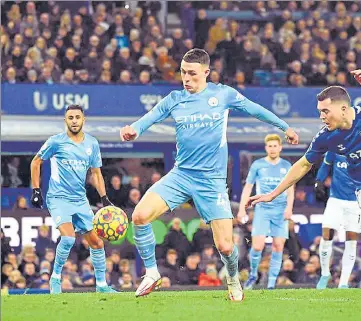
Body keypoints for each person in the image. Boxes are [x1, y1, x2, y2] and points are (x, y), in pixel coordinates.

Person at [120, 48, 299, 301]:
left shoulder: (222, 94)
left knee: (226, 246)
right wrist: (133, 130)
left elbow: (254, 109)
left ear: (206, 72)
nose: (186, 79)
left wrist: (284, 127)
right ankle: (151, 273)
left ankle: (233, 278)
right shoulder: (174, 98)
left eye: (192, 73)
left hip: (211, 181)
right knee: (139, 216)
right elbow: (149, 118)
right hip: (180, 175)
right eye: (183, 73)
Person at [248, 77, 361, 287]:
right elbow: (302, 165)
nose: (321, 117)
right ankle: (329, 277)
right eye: (319, 112)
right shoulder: (326, 137)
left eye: (325, 111)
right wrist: (274, 193)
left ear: (344, 109)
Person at [30, 104, 117, 294]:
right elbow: (36, 162)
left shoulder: (92, 143)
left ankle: (102, 286)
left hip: (80, 200)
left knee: (97, 243)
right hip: (58, 197)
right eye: (70, 118)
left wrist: (104, 198)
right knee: (68, 238)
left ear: (83, 119)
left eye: (77, 117)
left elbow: (96, 173)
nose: (74, 121)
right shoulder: (56, 142)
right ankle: (54, 279)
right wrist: (36, 190)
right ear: (65, 121)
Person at [237, 134, 294, 289]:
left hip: (280, 210)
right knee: (257, 246)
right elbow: (248, 187)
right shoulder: (258, 165)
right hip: (263, 209)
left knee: (278, 246)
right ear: (266, 148)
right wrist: (242, 208)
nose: (273, 149)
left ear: (280, 147)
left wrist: (289, 208)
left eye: (275, 146)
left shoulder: (287, 166)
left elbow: (290, 189)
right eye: (270, 146)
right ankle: (253, 274)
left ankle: (271, 283)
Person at [314, 152, 360, 289]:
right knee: (326, 234)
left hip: (355, 202)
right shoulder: (335, 148)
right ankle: (325, 273)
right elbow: (325, 165)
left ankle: (344, 282)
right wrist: (319, 181)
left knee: (351, 240)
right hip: (335, 200)